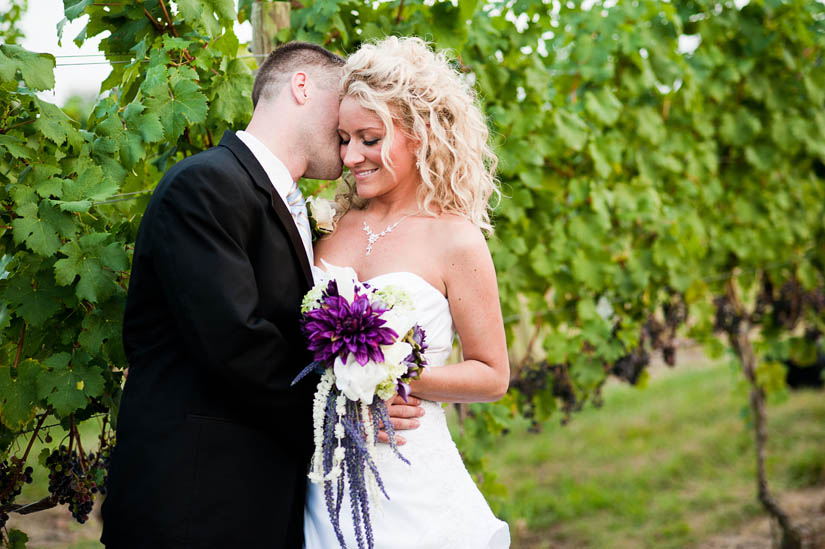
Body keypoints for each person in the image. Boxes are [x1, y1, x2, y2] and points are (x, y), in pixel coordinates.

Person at [101, 42, 421, 549]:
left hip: (261, 499)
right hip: (194, 503)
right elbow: (236, 343)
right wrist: (346, 416)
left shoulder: (284, 201)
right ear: (301, 87)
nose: (347, 143)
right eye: (341, 115)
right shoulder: (205, 184)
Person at [303, 36, 511, 548]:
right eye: (344, 138)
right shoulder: (328, 224)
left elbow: (492, 374)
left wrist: (399, 381)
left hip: (410, 479)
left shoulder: (455, 238)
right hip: (323, 484)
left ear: (418, 134)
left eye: (369, 139)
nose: (351, 156)